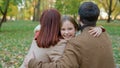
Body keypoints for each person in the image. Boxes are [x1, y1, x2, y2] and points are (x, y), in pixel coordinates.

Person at [28, 2, 115, 68]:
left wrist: (33, 63)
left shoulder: (75, 43)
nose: (66, 32)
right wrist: (101, 28)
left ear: (79, 19)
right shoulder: (104, 34)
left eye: (70, 29)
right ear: (97, 18)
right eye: (63, 29)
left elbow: (62, 66)